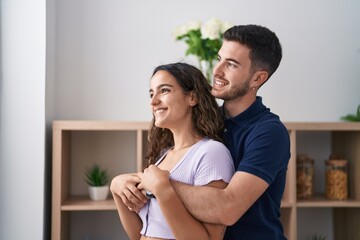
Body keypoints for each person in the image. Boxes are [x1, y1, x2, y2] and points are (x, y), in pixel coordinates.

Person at [120, 24, 291, 240]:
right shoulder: (204, 123)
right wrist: (126, 183)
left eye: (231, 64)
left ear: (258, 78)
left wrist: (159, 184)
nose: (217, 71)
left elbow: (227, 209)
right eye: (219, 59)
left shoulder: (268, 132)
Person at [110, 62, 235, 240]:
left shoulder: (211, 153)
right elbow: (140, 234)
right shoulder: (164, 156)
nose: (153, 101)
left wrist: (163, 189)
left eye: (164, 90)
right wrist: (116, 189)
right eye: (152, 93)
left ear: (192, 97)